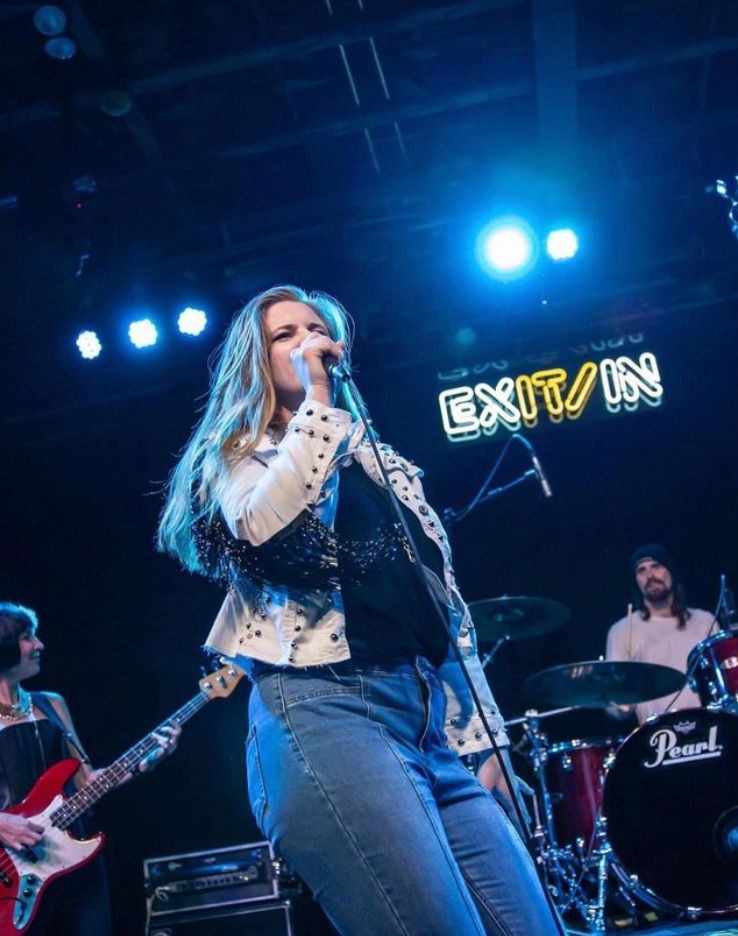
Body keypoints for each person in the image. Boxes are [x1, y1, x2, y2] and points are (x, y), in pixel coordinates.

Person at [158, 284, 559, 936]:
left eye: (317, 328)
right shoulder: (238, 457)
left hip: (430, 724)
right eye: (285, 334)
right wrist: (317, 400)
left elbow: (442, 612)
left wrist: (484, 744)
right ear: (254, 362)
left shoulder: (383, 464)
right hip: (327, 712)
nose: (307, 341)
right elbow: (271, 528)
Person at [0, 602, 178, 935]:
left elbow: (86, 781)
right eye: (27, 638)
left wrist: (144, 764)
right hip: (13, 874)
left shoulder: (51, 703)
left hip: (76, 860)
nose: (40, 646)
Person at [606, 544, 715, 724]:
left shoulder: (705, 621)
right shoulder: (623, 630)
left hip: (708, 728)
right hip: (657, 736)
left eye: (656, 566)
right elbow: (611, 704)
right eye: (641, 570)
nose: (649, 576)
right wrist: (620, 706)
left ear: (671, 572)